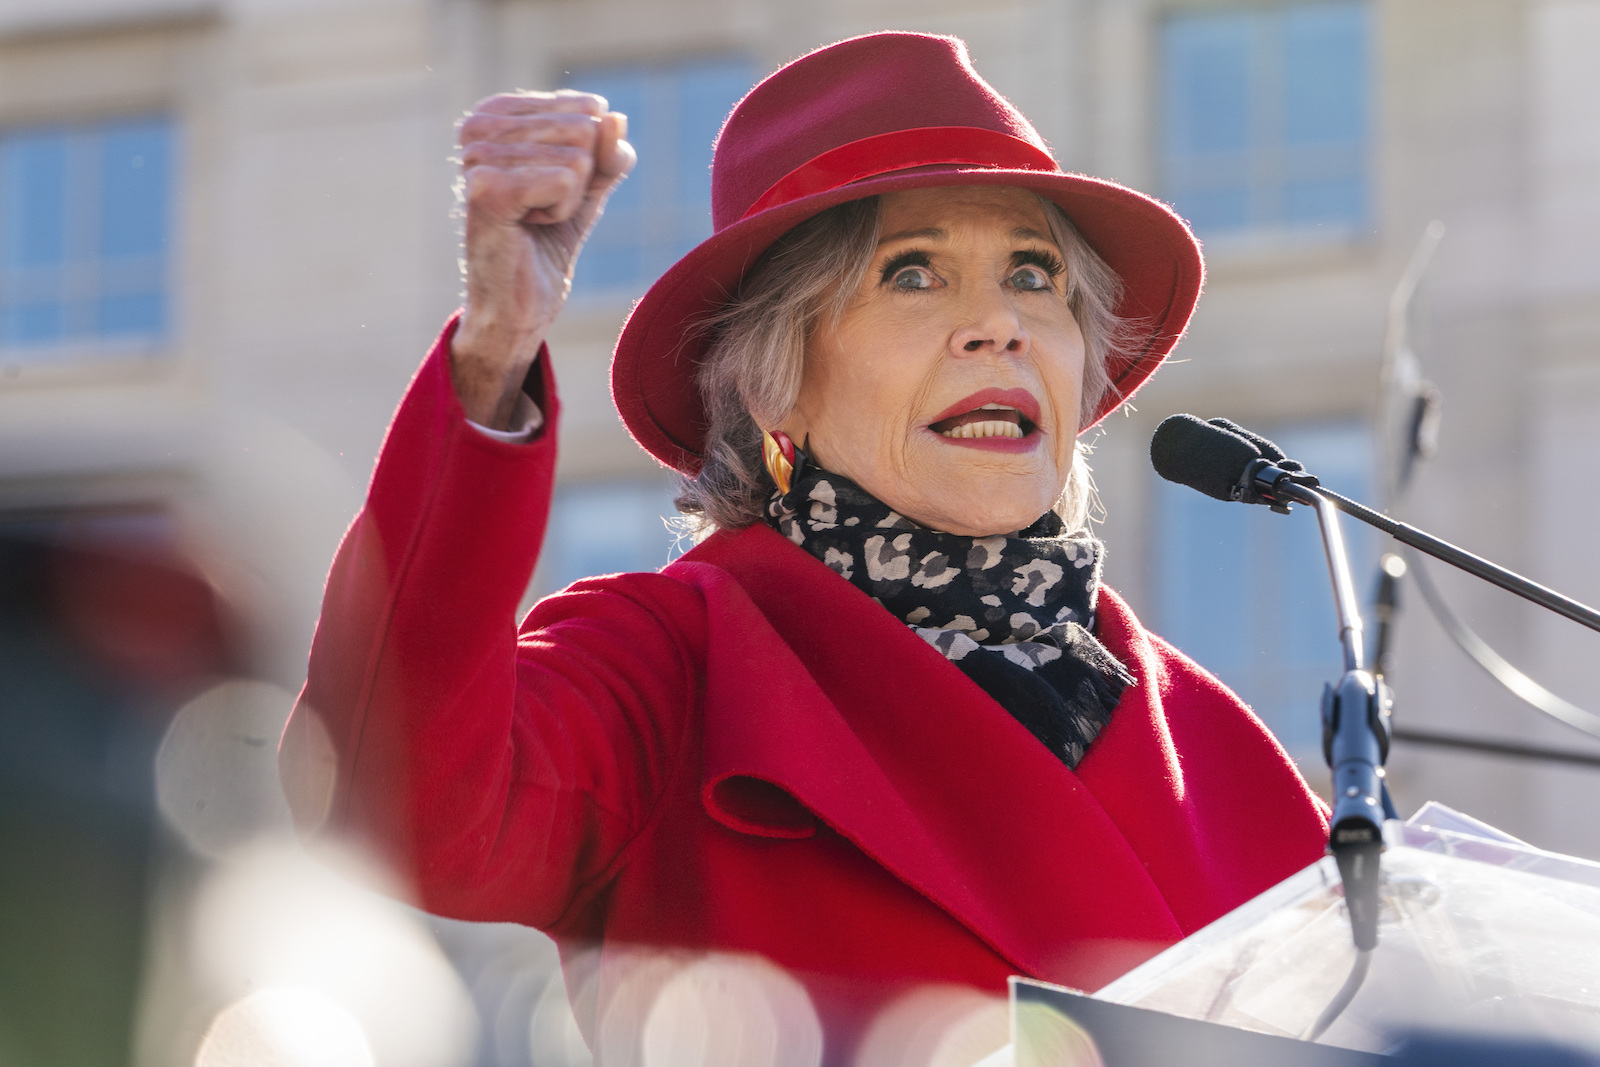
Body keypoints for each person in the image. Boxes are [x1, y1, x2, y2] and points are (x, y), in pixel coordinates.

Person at [282, 31, 1327, 1063]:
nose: (997, 324)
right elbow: (393, 803)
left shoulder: (1219, 749)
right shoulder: (672, 662)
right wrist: (494, 350)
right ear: (773, 377)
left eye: (1033, 275)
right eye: (913, 276)